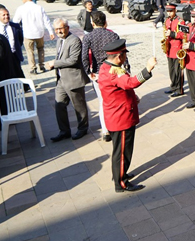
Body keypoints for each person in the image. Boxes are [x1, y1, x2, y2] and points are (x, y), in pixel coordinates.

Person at [99, 39, 157, 192]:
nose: (125, 58)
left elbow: (121, 89)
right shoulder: (114, 72)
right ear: (119, 57)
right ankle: (121, 182)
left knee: (121, 150)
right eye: (124, 55)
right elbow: (130, 82)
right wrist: (148, 69)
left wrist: (132, 97)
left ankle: (120, 173)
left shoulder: (107, 67)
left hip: (116, 115)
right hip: (121, 118)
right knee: (123, 152)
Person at [46, 18, 91, 142]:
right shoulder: (60, 41)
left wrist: (54, 63)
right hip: (61, 80)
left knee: (79, 106)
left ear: (67, 28)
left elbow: (73, 60)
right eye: (56, 29)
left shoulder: (74, 40)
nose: (58, 31)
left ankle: (83, 128)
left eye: (61, 28)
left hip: (73, 79)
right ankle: (64, 131)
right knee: (59, 105)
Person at [81, 11, 121, 142]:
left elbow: (84, 56)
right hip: (114, 71)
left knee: (102, 101)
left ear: (92, 23)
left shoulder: (88, 37)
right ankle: (117, 125)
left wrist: (88, 71)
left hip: (98, 73)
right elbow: (121, 53)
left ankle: (105, 130)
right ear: (105, 22)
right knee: (115, 99)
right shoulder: (113, 35)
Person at [12, 0, 55, 75]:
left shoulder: (21, 8)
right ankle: (42, 66)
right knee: (41, 49)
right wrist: (51, 31)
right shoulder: (39, 7)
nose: (22, 0)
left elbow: (15, 21)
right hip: (40, 33)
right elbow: (46, 20)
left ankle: (33, 68)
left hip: (28, 34)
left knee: (30, 51)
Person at [0, 8, 25, 129]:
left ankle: (15, 107)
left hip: (14, 58)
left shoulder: (15, 26)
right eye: (3, 15)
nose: (6, 17)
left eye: (7, 14)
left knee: (15, 82)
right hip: (3, 63)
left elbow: (20, 40)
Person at [162, 3, 186, 98]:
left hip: (177, 49)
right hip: (169, 48)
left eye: (171, 11)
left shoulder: (180, 21)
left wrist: (172, 34)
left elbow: (183, 35)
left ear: (175, 11)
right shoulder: (167, 21)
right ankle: (173, 86)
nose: (169, 13)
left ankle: (179, 89)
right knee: (171, 70)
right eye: (168, 11)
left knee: (177, 70)